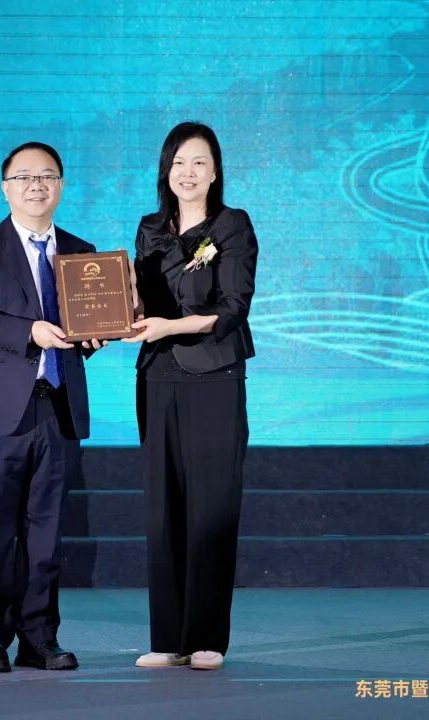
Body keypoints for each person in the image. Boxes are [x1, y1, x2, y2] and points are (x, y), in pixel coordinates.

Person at [0, 141, 107, 673]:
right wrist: (29, 332)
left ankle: (39, 638)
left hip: (57, 408)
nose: (36, 185)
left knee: (46, 533)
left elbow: (84, 325)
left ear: (61, 185)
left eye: (47, 176)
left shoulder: (82, 253)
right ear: (6, 188)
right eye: (24, 177)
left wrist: (94, 336)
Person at [122, 122, 258, 672]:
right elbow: (141, 303)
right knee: (163, 507)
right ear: (166, 170)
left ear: (215, 171)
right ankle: (168, 639)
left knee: (211, 507)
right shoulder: (150, 228)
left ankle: (206, 638)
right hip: (157, 375)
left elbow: (233, 308)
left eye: (199, 162)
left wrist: (168, 327)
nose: (188, 172)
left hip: (214, 376)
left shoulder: (232, 225)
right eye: (179, 162)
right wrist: (121, 309)